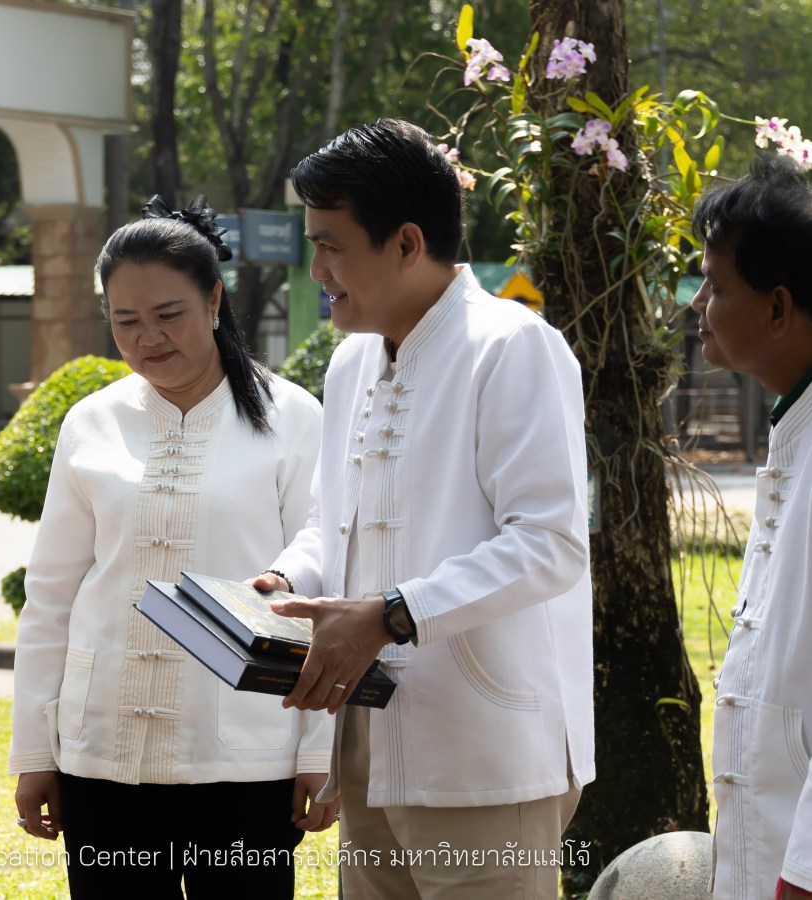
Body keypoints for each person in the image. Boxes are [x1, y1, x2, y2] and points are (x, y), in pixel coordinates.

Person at [253, 119, 595, 899]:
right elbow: (328, 521)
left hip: (485, 747)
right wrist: (277, 581)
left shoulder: (512, 345)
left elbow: (548, 543)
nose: (318, 270)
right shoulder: (349, 363)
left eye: (333, 245)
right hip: (369, 731)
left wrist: (394, 613)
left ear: (406, 243)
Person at [9, 196, 334, 898]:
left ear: (214, 299)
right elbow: (52, 596)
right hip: (103, 757)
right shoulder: (90, 422)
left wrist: (319, 751)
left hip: (244, 758)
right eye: (126, 321)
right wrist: (36, 751)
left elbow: (323, 584)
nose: (148, 338)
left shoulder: (293, 419)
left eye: (168, 315)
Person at [690, 154, 812, 900]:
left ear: (776, 308)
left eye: (716, 286)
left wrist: (801, 875)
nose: (698, 303)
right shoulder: (792, 429)